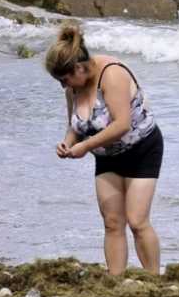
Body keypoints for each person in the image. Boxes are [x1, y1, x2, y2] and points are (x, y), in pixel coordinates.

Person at [45, 24, 164, 275]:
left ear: (79, 67)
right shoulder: (72, 88)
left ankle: (155, 278)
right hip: (107, 156)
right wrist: (68, 143)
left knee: (137, 220)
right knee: (112, 222)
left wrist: (85, 146)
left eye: (64, 79)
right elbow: (75, 126)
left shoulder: (111, 74)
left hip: (141, 149)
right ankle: (115, 280)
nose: (63, 86)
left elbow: (122, 124)